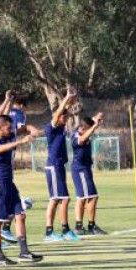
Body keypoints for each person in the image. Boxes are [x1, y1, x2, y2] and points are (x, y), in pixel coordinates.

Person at [0, 92, 42, 265]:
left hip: (9, 182)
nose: (12, 131)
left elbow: (2, 114)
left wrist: (7, 100)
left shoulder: (8, 133)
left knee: (20, 214)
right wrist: (20, 142)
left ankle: (24, 252)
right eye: (9, 128)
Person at [44, 88, 80, 242]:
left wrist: (72, 99)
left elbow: (65, 110)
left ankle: (50, 231)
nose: (65, 120)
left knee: (56, 199)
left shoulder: (60, 127)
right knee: (63, 199)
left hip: (58, 166)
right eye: (63, 118)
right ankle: (62, 230)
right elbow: (60, 111)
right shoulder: (51, 127)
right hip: (53, 166)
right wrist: (67, 97)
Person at [72, 112, 106, 235]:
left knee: (85, 198)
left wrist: (96, 118)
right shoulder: (77, 135)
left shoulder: (83, 129)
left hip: (85, 169)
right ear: (83, 128)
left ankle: (81, 226)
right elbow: (81, 139)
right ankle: (88, 226)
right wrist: (94, 126)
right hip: (80, 169)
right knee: (90, 197)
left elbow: (89, 124)